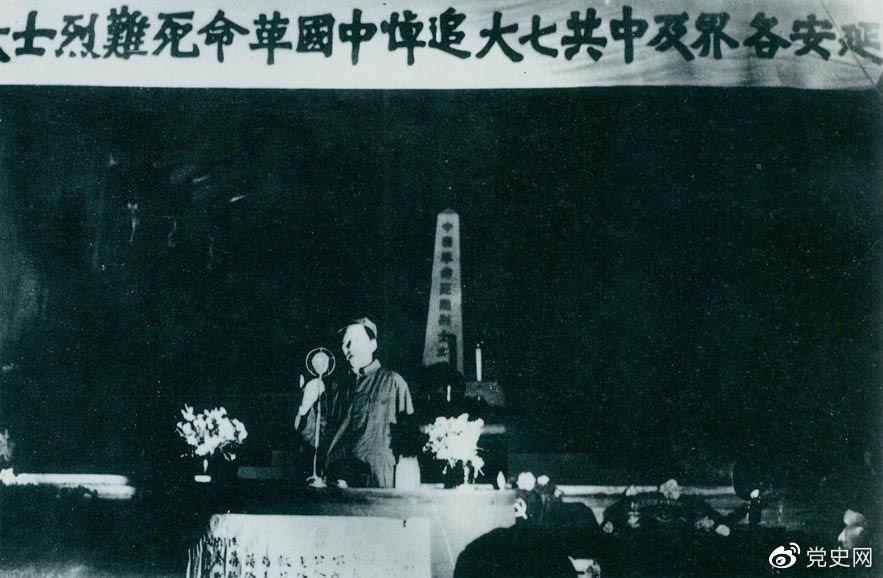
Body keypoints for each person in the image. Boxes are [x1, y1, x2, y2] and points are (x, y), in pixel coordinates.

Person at [295, 317, 415, 488]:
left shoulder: (392, 382)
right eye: (345, 343)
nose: (350, 347)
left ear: (373, 344)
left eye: (357, 340)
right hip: (337, 480)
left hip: (377, 482)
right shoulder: (335, 387)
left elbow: (409, 439)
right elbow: (316, 438)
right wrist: (306, 405)